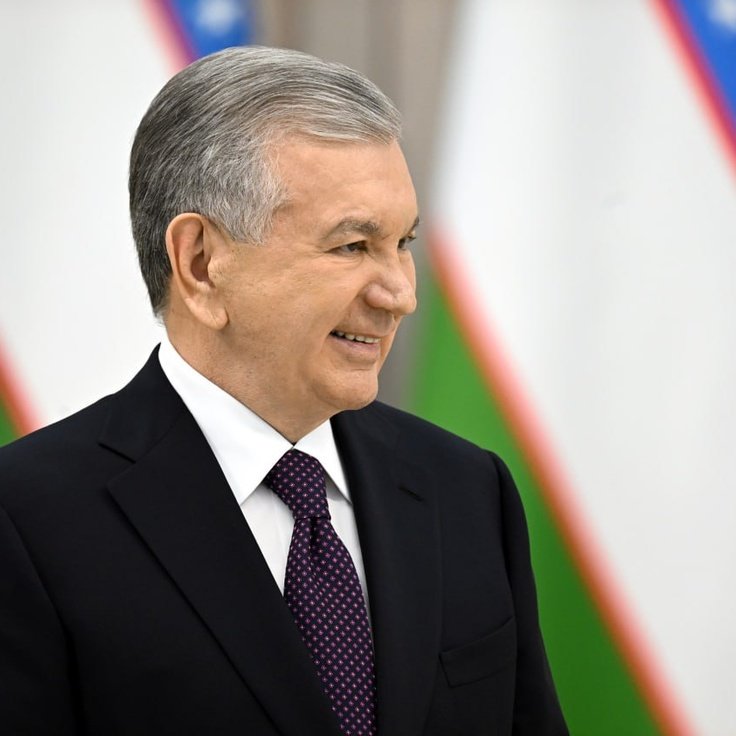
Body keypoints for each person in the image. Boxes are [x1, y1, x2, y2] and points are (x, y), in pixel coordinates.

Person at [0, 46, 567, 735]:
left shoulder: (467, 488)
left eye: (403, 243)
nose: (400, 295)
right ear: (201, 263)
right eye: (353, 246)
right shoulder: (24, 521)